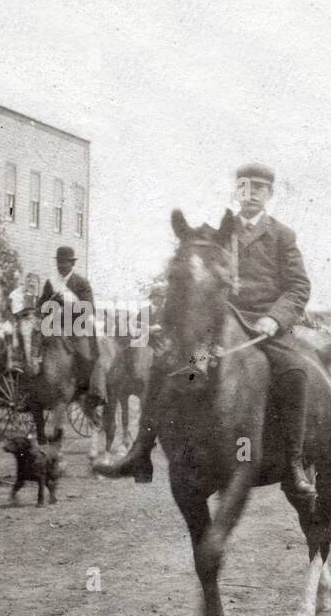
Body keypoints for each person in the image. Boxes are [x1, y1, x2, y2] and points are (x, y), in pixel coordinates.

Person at [97, 162, 315, 495]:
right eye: (245, 186)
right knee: (169, 368)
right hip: (220, 324)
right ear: (236, 191)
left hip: (264, 326)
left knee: (294, 372)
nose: (251, 193)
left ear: (270, 194)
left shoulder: (282, 235)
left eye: (259, 188)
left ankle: (295, 464)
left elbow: (298, 286)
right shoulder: (219, 234)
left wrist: (275, 317)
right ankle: (140, 450)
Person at [39, 246, 104, 410]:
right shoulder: (51, 282)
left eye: (64, 262)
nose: (60, 266)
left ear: (71, 263)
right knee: (37, 353)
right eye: (59, 262)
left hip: (76, 328)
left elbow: (88, 308)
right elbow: (41, 304)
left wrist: (66, 304)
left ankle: (85, 391)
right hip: (54, 327)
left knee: (85, 357)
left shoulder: (81, 283)